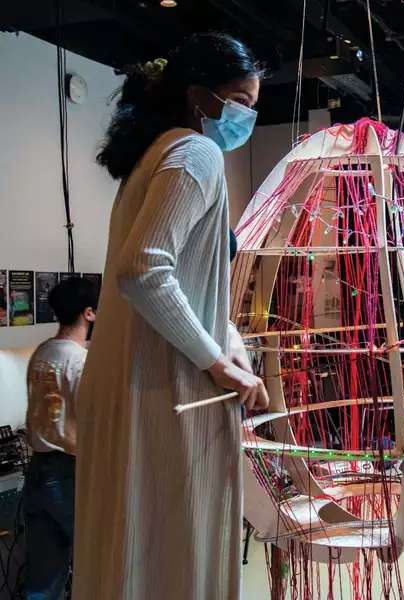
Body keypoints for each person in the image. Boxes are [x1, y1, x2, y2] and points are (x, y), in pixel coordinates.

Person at [74, 33, 269, 600]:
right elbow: (145, 270)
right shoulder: (195, 153)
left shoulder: (155, 158)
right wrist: (218, 364)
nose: (245, 116)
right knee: (176, 555)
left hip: (135, 388)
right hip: (168, 392)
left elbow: (176, 275)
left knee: (129, 553)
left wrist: (226, 334)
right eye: (240, 100)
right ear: (198, 96)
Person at [24, 277, 97, 600]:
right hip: (68, 474)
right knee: (95, 566)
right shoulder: (81, 362)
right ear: (89, 313)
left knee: (43, 580)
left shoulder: (42, 352)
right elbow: (93, 422)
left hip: (37, 471)